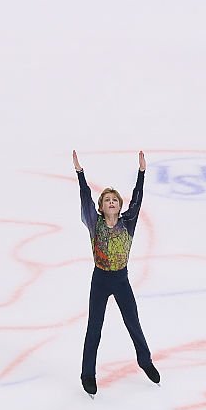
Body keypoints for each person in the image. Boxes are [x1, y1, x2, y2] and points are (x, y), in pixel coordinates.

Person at [73, 150, 160, 397]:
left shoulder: (128, 222)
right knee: (94, 327)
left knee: (133, 322)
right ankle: (87, 374)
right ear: (101, 207)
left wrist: (142, 172)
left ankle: (145, 361)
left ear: (119, 206)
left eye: (115, 200)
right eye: (107, 200)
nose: (111, 202)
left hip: (121, 279)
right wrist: (80, 173)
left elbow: (137, 200)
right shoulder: (94, 222)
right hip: (99, 279)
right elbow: (84, 197)